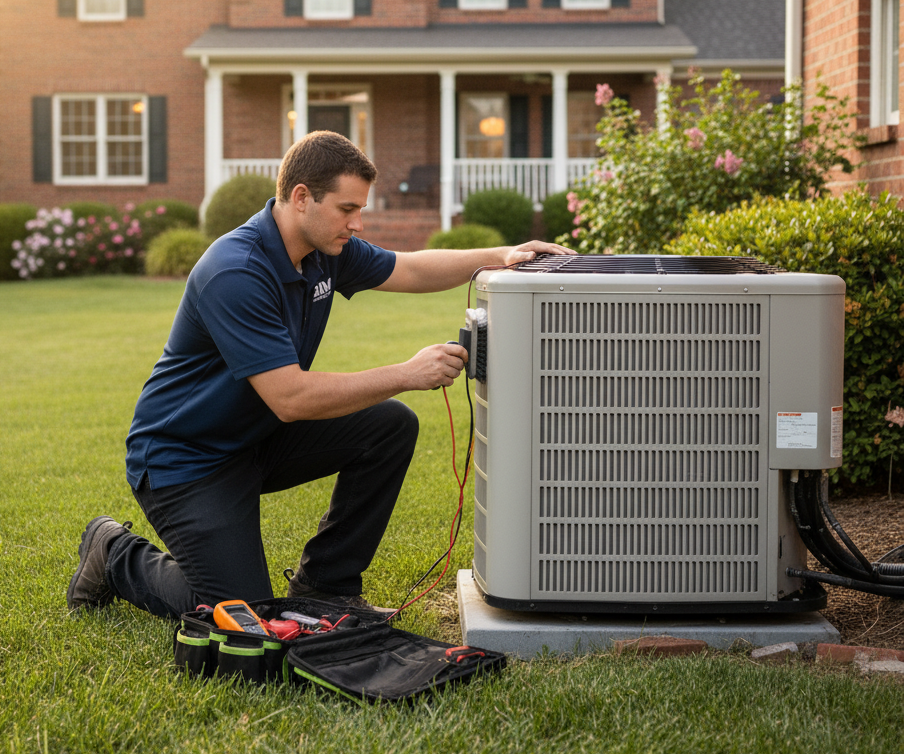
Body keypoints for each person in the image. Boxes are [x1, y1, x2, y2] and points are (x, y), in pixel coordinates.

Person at [67, 131, 571, 618]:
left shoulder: (324, 251)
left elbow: (410, 269)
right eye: (347, 209)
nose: (356, 223)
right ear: (302, 197)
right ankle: (113, 552)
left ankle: (326, 585)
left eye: (360, 210)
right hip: (187, 459)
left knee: (388, 426)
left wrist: (502, 256)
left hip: (256, 437)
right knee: (246, 615)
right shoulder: (236, 271)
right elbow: (291, 398)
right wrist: (406, 372)